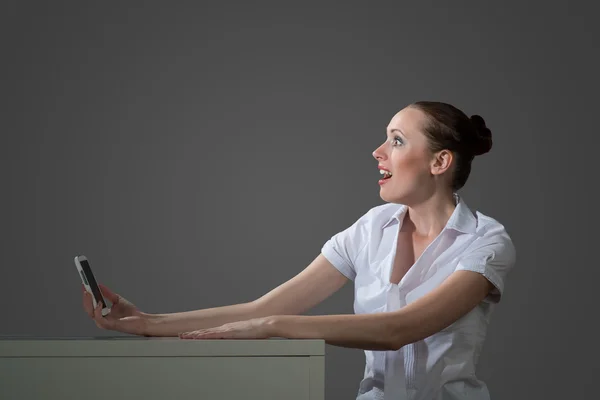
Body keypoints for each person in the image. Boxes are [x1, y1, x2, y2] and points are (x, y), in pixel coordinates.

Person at [83, 101, 516, 400]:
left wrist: (273, 326)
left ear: (439, 162)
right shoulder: (370, 229)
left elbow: (397, 330)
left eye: (397, 141)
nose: (378, 151)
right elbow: (264, 305)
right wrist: (144, 323)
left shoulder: (486, 243)